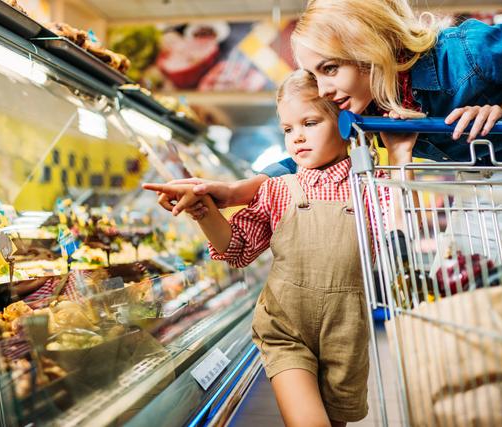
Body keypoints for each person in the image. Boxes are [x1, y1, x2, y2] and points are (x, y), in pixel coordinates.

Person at [158, 0, 502, 257]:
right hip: (477, 197)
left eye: (330, 68)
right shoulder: (368, 104)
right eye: (313, 74)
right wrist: (233, 191)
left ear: (368, 47)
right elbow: (309, 157)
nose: (322, 89)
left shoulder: (466, 52)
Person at [144, 70, 412, 426]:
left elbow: (396, 233)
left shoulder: (372, 186)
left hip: (345, 332)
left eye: (310, 122)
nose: (297, 137)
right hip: (285, 328)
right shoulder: (277, 189)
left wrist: (401, 154)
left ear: (346, 123)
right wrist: (203, 212)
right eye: (288, 129)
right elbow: (238, 250)